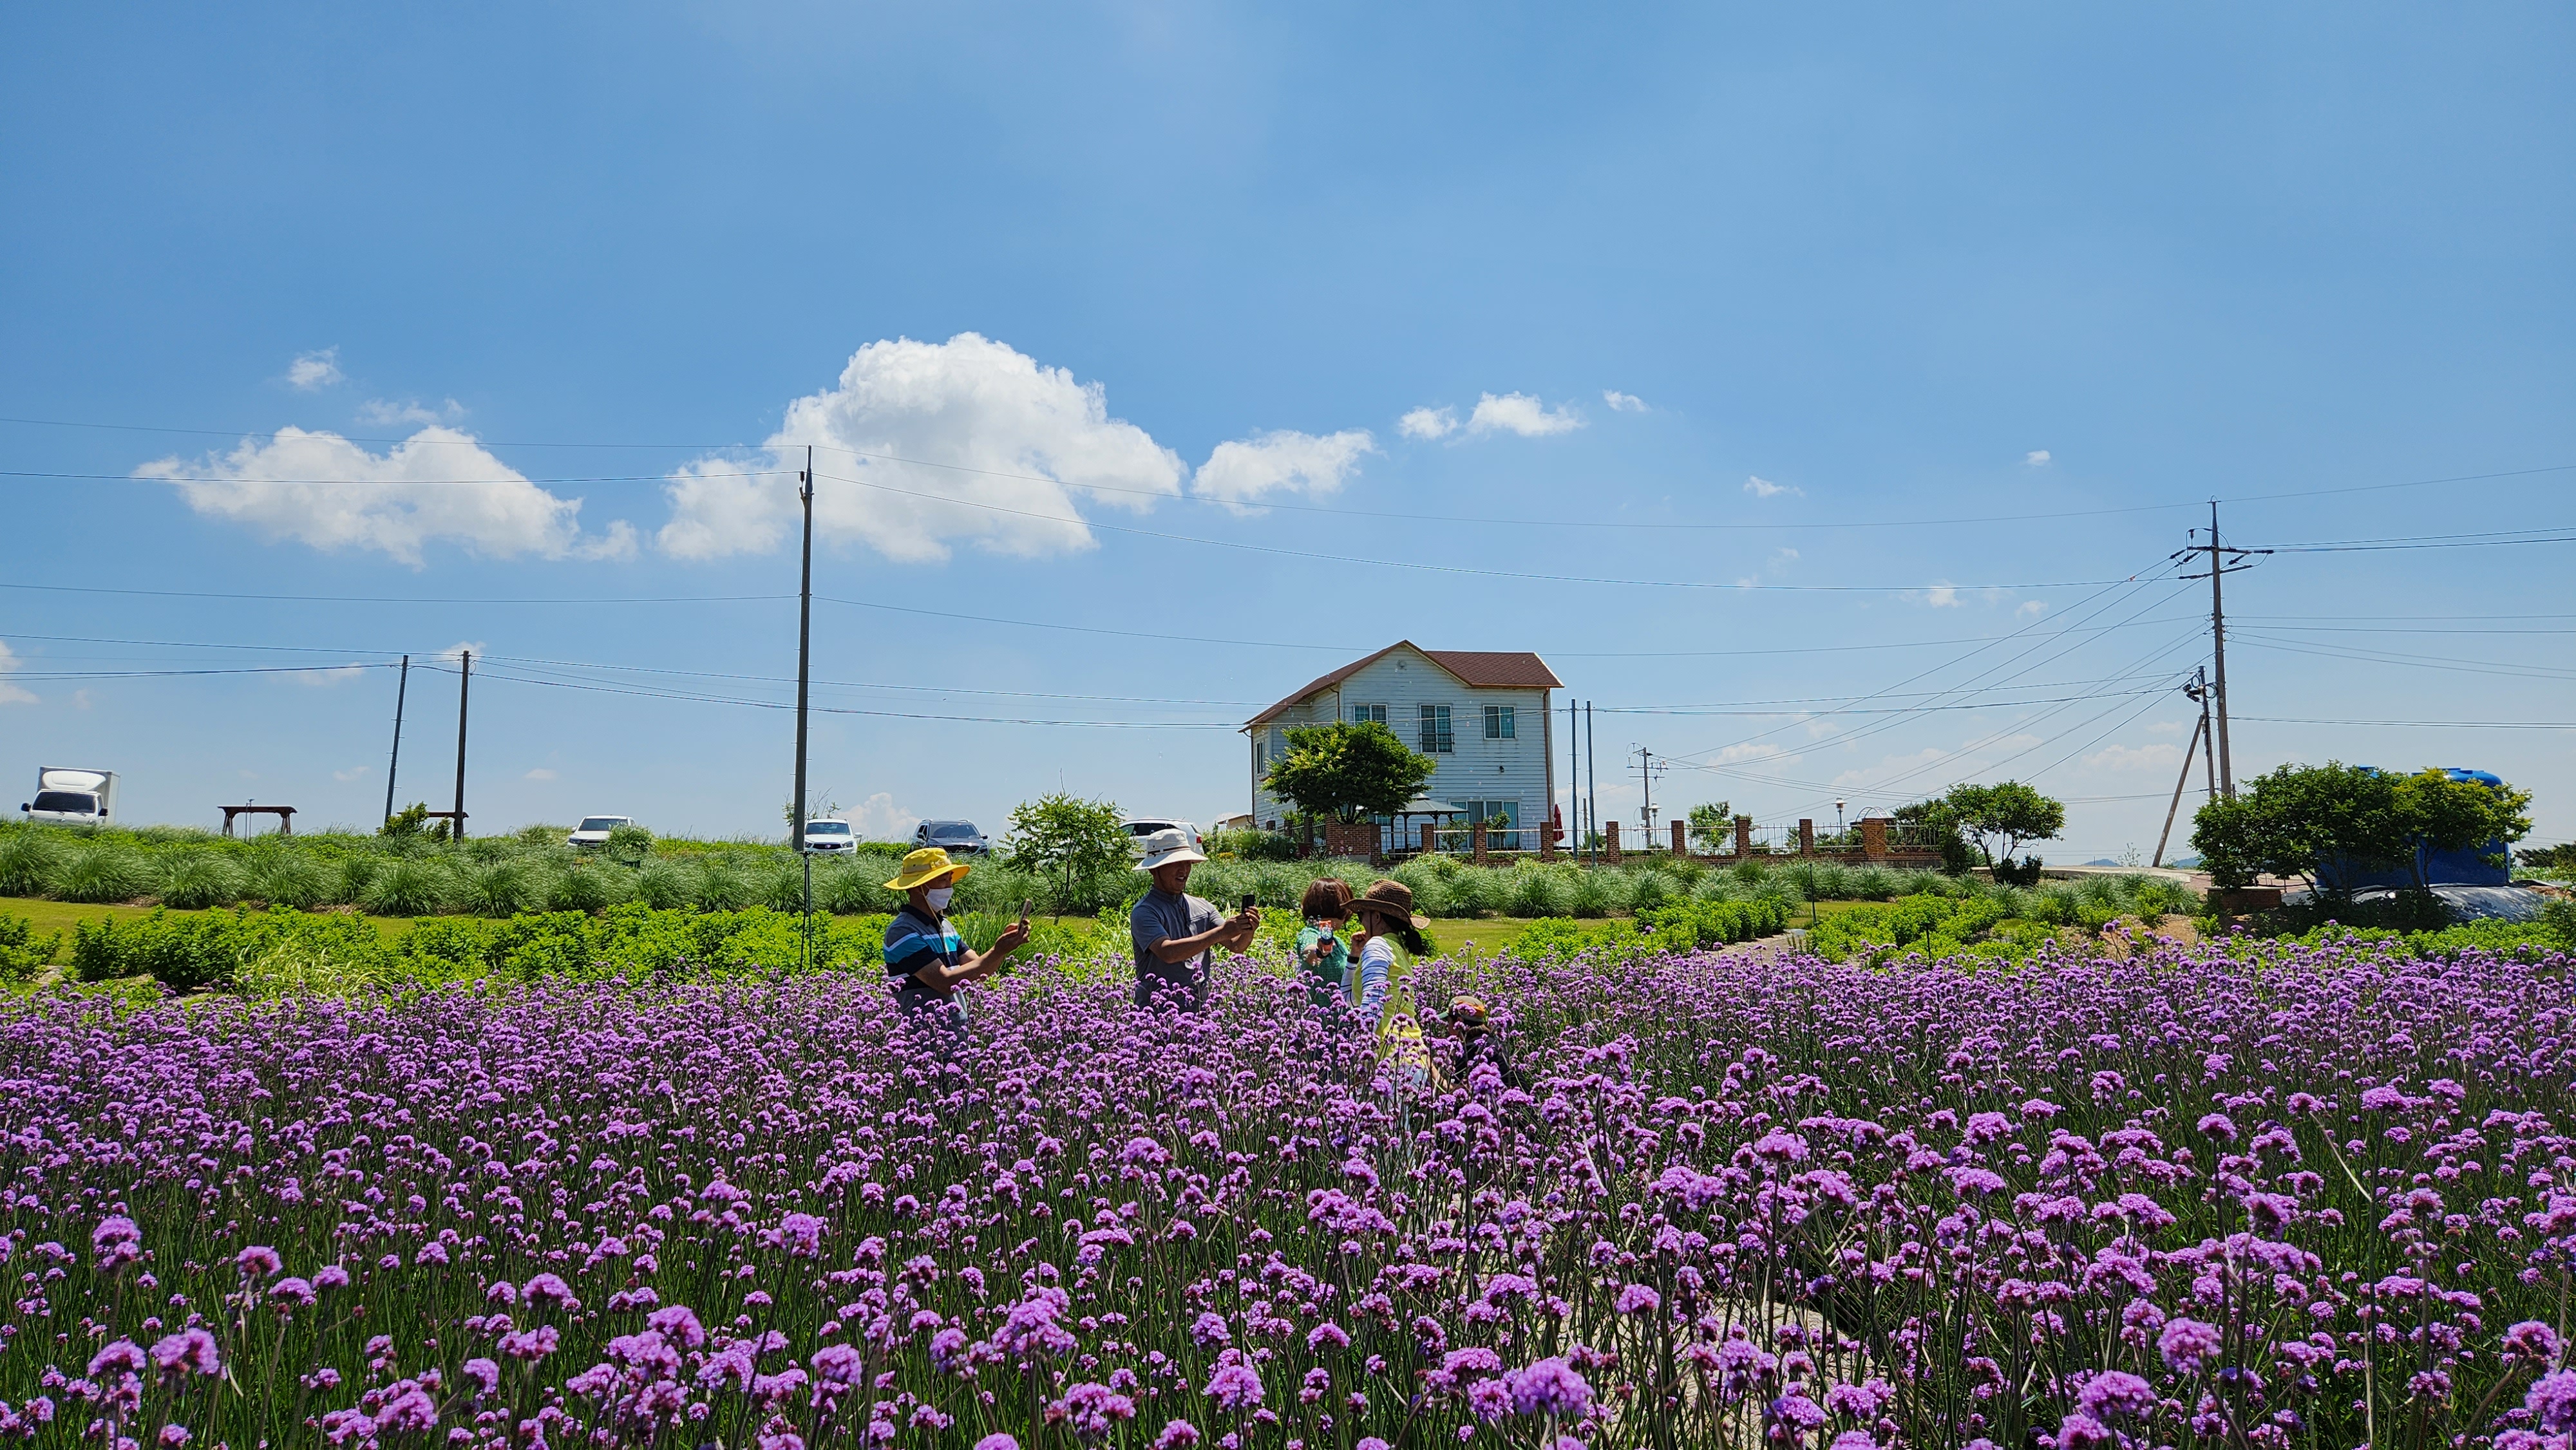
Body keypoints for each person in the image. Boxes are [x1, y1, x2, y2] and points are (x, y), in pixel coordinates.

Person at [882, 846, 1028, 1035]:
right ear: (919, 887)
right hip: (924, 1041)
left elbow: (981, 969)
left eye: (950, 880)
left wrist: (1006, 945)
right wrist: (998, 950)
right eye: (942, 881)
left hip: (956, 1036)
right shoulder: (902, 931)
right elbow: (945, 982)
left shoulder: (946, 927)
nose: (949, 888)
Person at [1130, 828, 1256, 1011]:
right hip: (1156, 1015)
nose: (1184, 870)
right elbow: (1168, 953)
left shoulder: (1203, 907)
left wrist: (1248, 929)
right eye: (1176, 863)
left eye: (1187, 863)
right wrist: (1221, 932)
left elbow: (1236, 946)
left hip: (1198, 1012)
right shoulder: (1145, 911)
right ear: (1154, 869)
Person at [1346, 878, 1430, 1027]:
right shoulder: (1398, 947)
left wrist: (1365, 1043)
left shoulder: (1377, 946)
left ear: (1377, 917)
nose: (1362, 922)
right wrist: (1354, 956)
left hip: (1385, 1046)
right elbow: (1348, 999)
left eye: (1361, 916)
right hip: (1408, 1043)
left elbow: (1372, 1006)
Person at [1294, 877, 1354, 1014]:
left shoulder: (1338, 942)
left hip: (1342, 1020)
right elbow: (1310, 954)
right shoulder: (1310, 934)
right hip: (1320, 1023)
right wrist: (1321, 951)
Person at [1444, 995, 1526, 1089]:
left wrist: (1432, 1071)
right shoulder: (1492, 1041)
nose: (1447, 1028)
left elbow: (1454, 1089)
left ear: (1458, 1021)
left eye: (1448, 1021)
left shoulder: (1474, 1049)